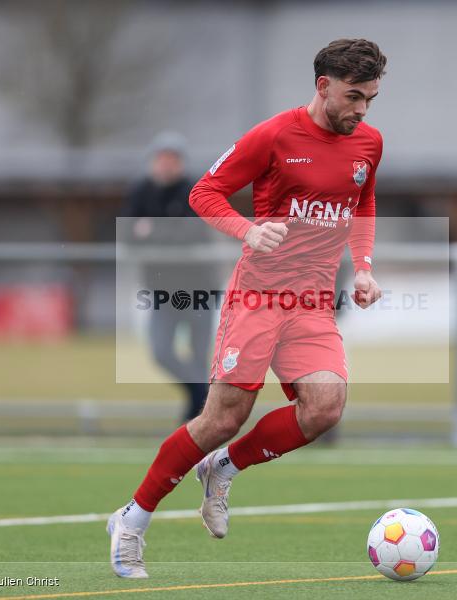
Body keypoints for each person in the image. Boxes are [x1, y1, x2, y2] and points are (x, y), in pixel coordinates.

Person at [108, 38, 386, 579]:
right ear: (323, 86)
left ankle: (224, 469)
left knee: (325, 408)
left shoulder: (369, 143)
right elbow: (204, 192)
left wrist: (366, 265)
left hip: (311, 302)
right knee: (222, 418)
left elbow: (364, 201)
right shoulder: (275, 135)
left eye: (370, 99)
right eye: (354, 97)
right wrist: (248, 229)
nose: (361, 110)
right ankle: (131, 520)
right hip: (257, 297)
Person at [121, 132, 213, 422]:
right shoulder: (141, 192)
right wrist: (163, 233)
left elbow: (193, 233)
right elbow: (127, 233)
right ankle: (203, 398)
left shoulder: (194, 190)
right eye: (161, 159)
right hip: (161, 291)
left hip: (199, 290)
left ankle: (197, 419)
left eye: (172, 160)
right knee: (161, 351)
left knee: (200, 357)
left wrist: (152, 232)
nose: (166, 165)